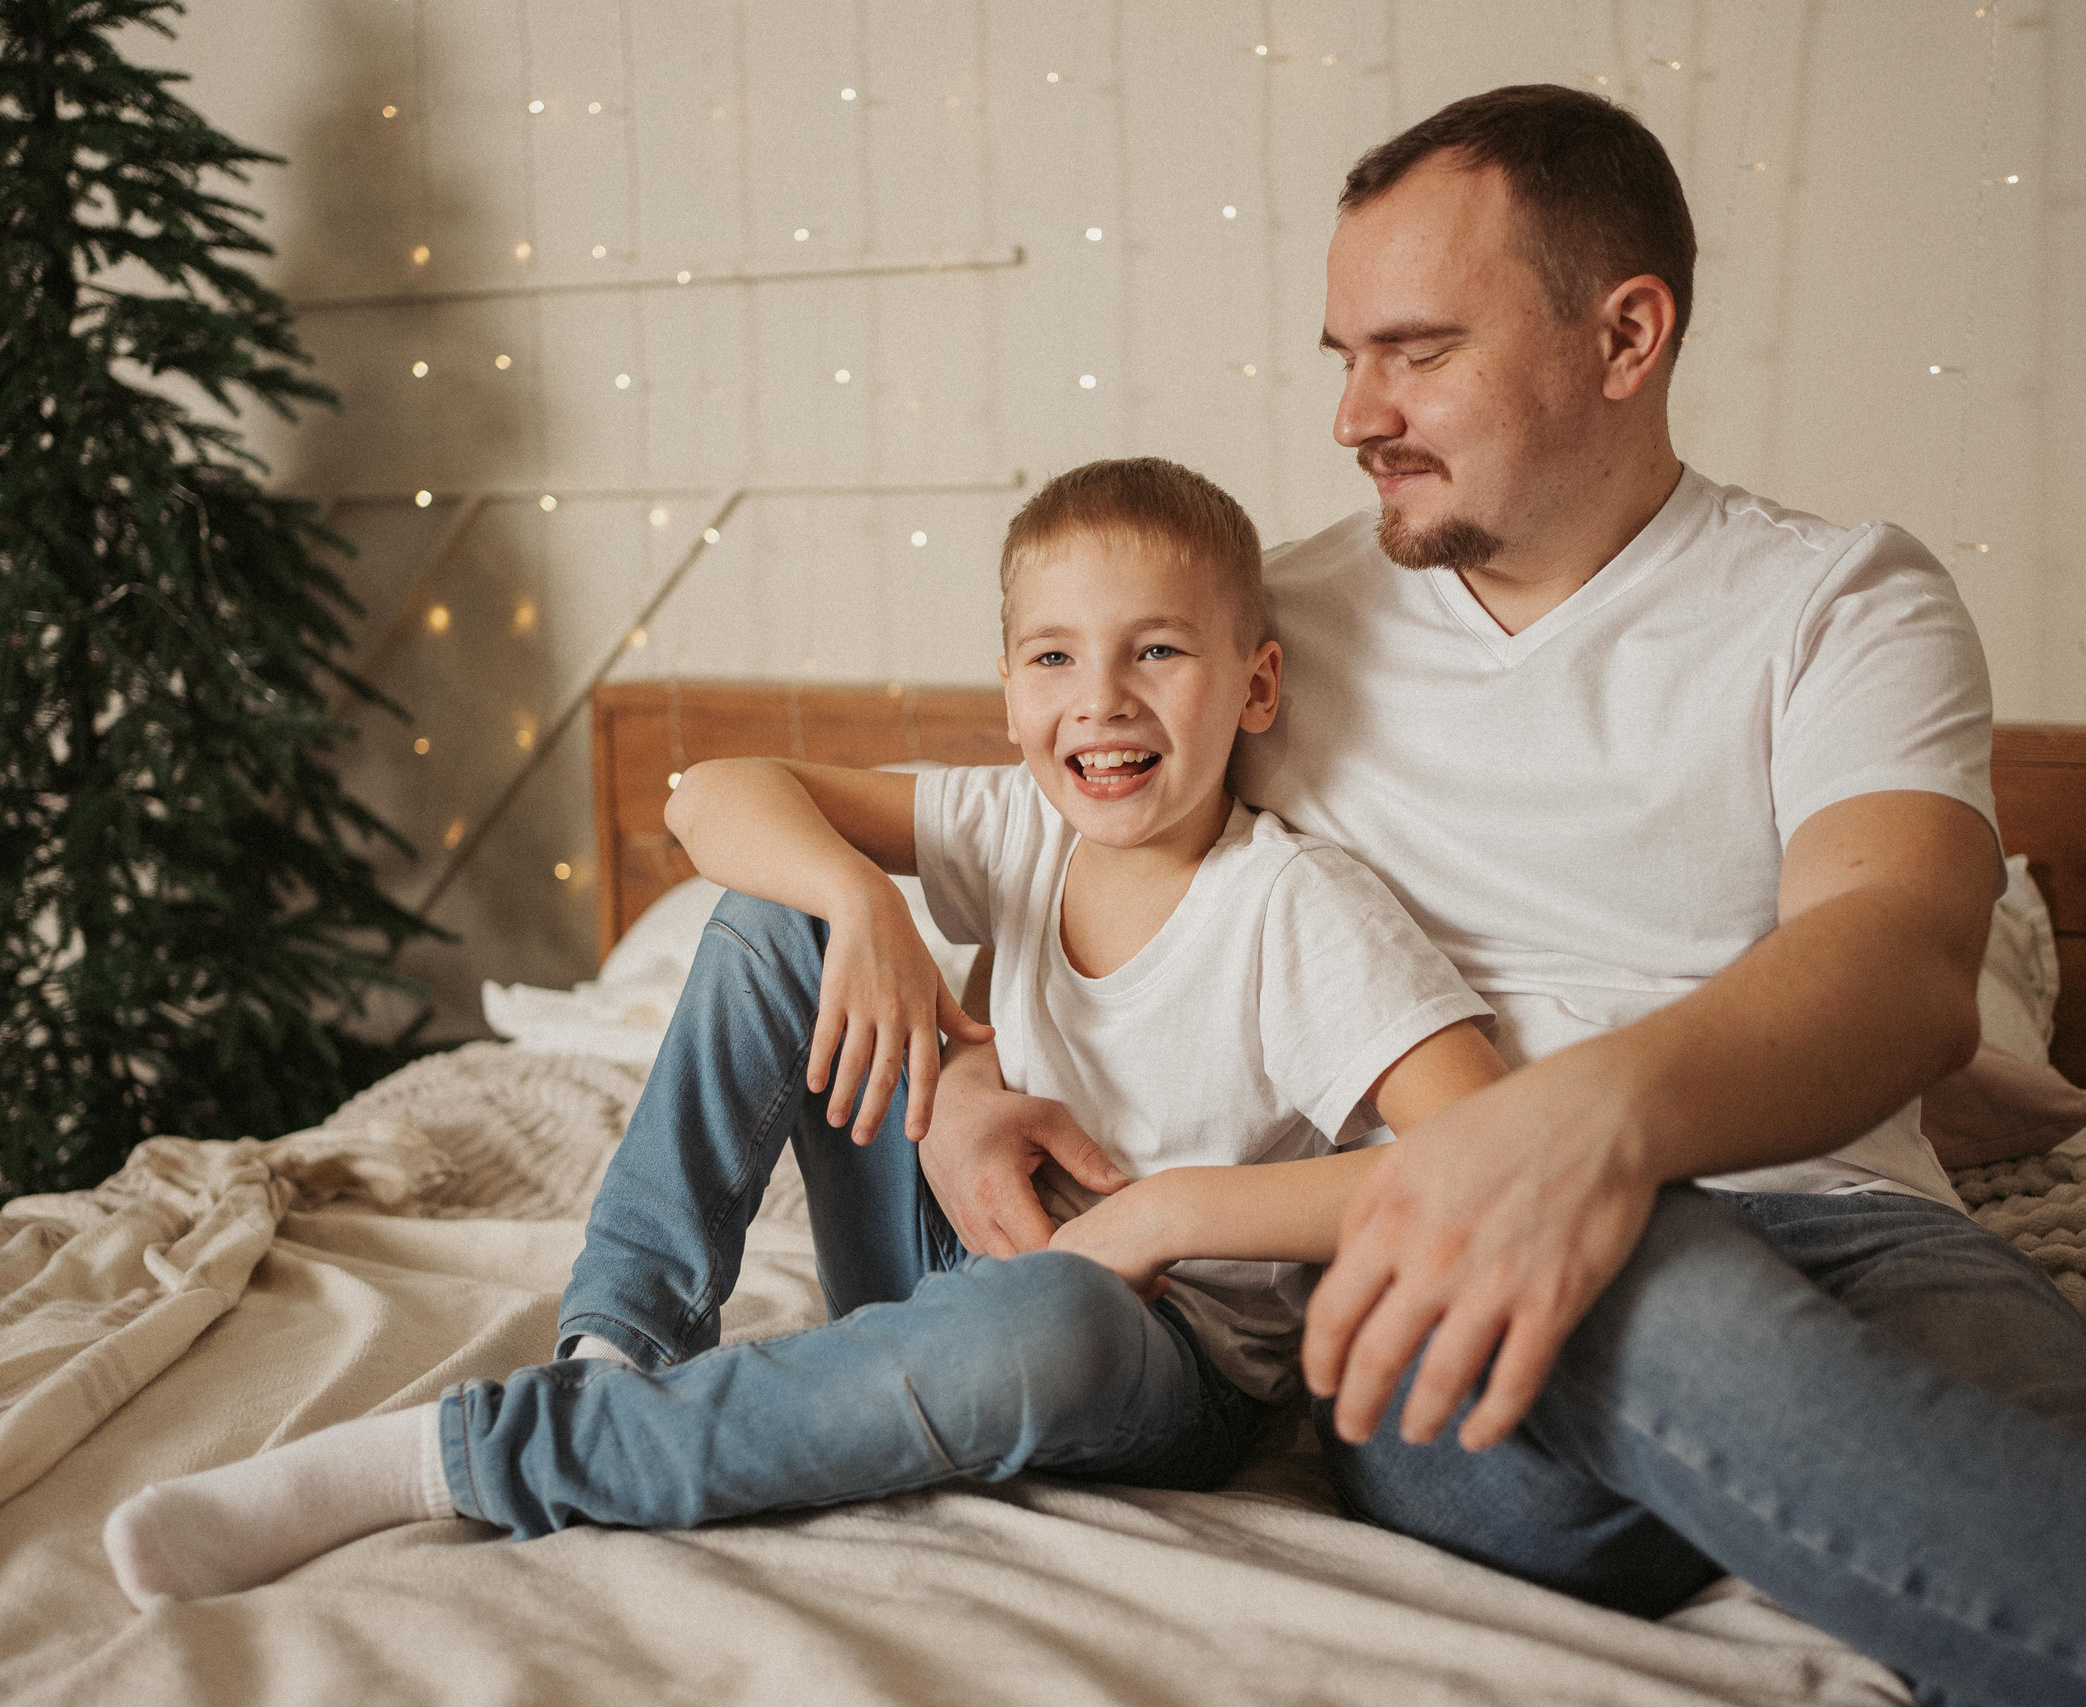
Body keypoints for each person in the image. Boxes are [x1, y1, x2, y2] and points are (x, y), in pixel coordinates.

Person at [912, 88, 2086, 1705]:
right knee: (1646, 1277)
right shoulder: (1258, 632)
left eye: (1414, 352)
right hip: (1464, 1286)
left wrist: (1593, 1118)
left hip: (1865, 1232)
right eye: (1342, 354)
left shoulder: (1841, 599)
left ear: (1626, 338)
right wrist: (967, 1080)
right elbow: (1081, 866)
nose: (1354, 414)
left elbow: (1899, 959)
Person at [98, 457, 1507, 1605]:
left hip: (1140, 1348)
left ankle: (462, 1460)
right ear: (1010, 689)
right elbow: (713, 792)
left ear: (1255, 688)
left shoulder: (1294, 908)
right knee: (777, 917)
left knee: (1055, 1321)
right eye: (1055, 657)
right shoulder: (1010, 822)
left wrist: (1168, 1217)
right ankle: (620, 1358)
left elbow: (1483, 1157)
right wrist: (859, 896)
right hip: (933, 1258)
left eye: (1158, 652)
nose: (1104, 702)